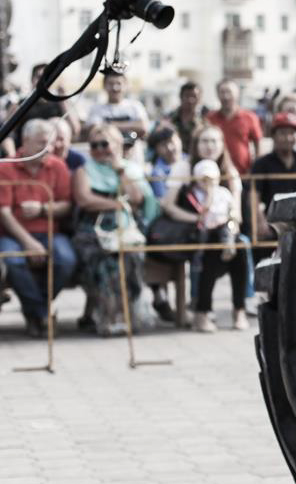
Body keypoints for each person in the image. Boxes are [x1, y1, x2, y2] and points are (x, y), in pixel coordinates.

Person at [71, 123, 160, 335]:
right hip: (93, 230)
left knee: (130, 258)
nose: (100, 149)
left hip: (125, 229)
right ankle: (108, 315)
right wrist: (115, 204)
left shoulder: (129, 169)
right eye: (94, 145)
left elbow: (137, 198)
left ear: (118, 145)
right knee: (105, 261)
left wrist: (120, 171)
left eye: (105, 144)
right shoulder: (84, 171)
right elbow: (84, 200)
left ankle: (128, 313)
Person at [0, 119, 77, 336]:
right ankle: (42, 314)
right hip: (13, 234)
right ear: (25, 141)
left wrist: (43, 209)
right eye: (42, 142)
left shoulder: (57, 165)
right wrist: (29, 243)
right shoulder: (6, 167)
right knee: (13, 261)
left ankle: (35, 310)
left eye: (51, 143)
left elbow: (65, 205)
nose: (49, 148)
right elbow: (4, 213)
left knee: (66, 259)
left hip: (50, 232)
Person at [163, 159, 248, 332]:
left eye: (212, 179)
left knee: (241, 248)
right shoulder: (192, 195)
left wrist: (230, 225)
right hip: (203, 238)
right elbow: (202, 216)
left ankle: (239, 309)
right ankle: (202, 311)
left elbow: (234, 215)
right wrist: (209, 193)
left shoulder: (224, 192)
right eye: (204, 179)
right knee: (209, 257)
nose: (208, 182)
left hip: (225, 233)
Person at [249, 112, 296, 260]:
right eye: (282, 133)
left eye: (291, 133)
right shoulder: (261, 164)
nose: (287, 138)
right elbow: (253, 195)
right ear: (273, 135)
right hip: (271, 226)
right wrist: (260, 222)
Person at [207, 79, 262, 175]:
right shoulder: (210, 118)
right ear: (217, 95)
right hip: (215, 173)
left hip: (243, 172)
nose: (226, 96)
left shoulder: (249, 117)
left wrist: (255, 168)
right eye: (222, 92)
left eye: (229, 92)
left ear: (237, 94)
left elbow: (258, 144)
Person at [85, 69, 150, 140]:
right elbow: (94, 129)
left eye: (119, 83)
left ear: (126, 85)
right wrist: (132, 125)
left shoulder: (135, 106)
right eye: (110, 84)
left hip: (133, 150)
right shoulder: (96, 108)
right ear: (104, 85)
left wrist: (106, 125)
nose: (115, 88)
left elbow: (143, 127)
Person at [147, 125, 190, 200]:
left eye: (171, 141)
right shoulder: (157, 173)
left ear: (179, 139)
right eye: (163, 145)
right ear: (156, 150)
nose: (169, 148)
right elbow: (164, 201)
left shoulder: (191, 160)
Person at [169, 81, 208, 158]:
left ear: (200, 98)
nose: (190, 100)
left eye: (194, 96)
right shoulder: (170, 117)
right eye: (187, 96)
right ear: (181, 97)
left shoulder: (206, 116)